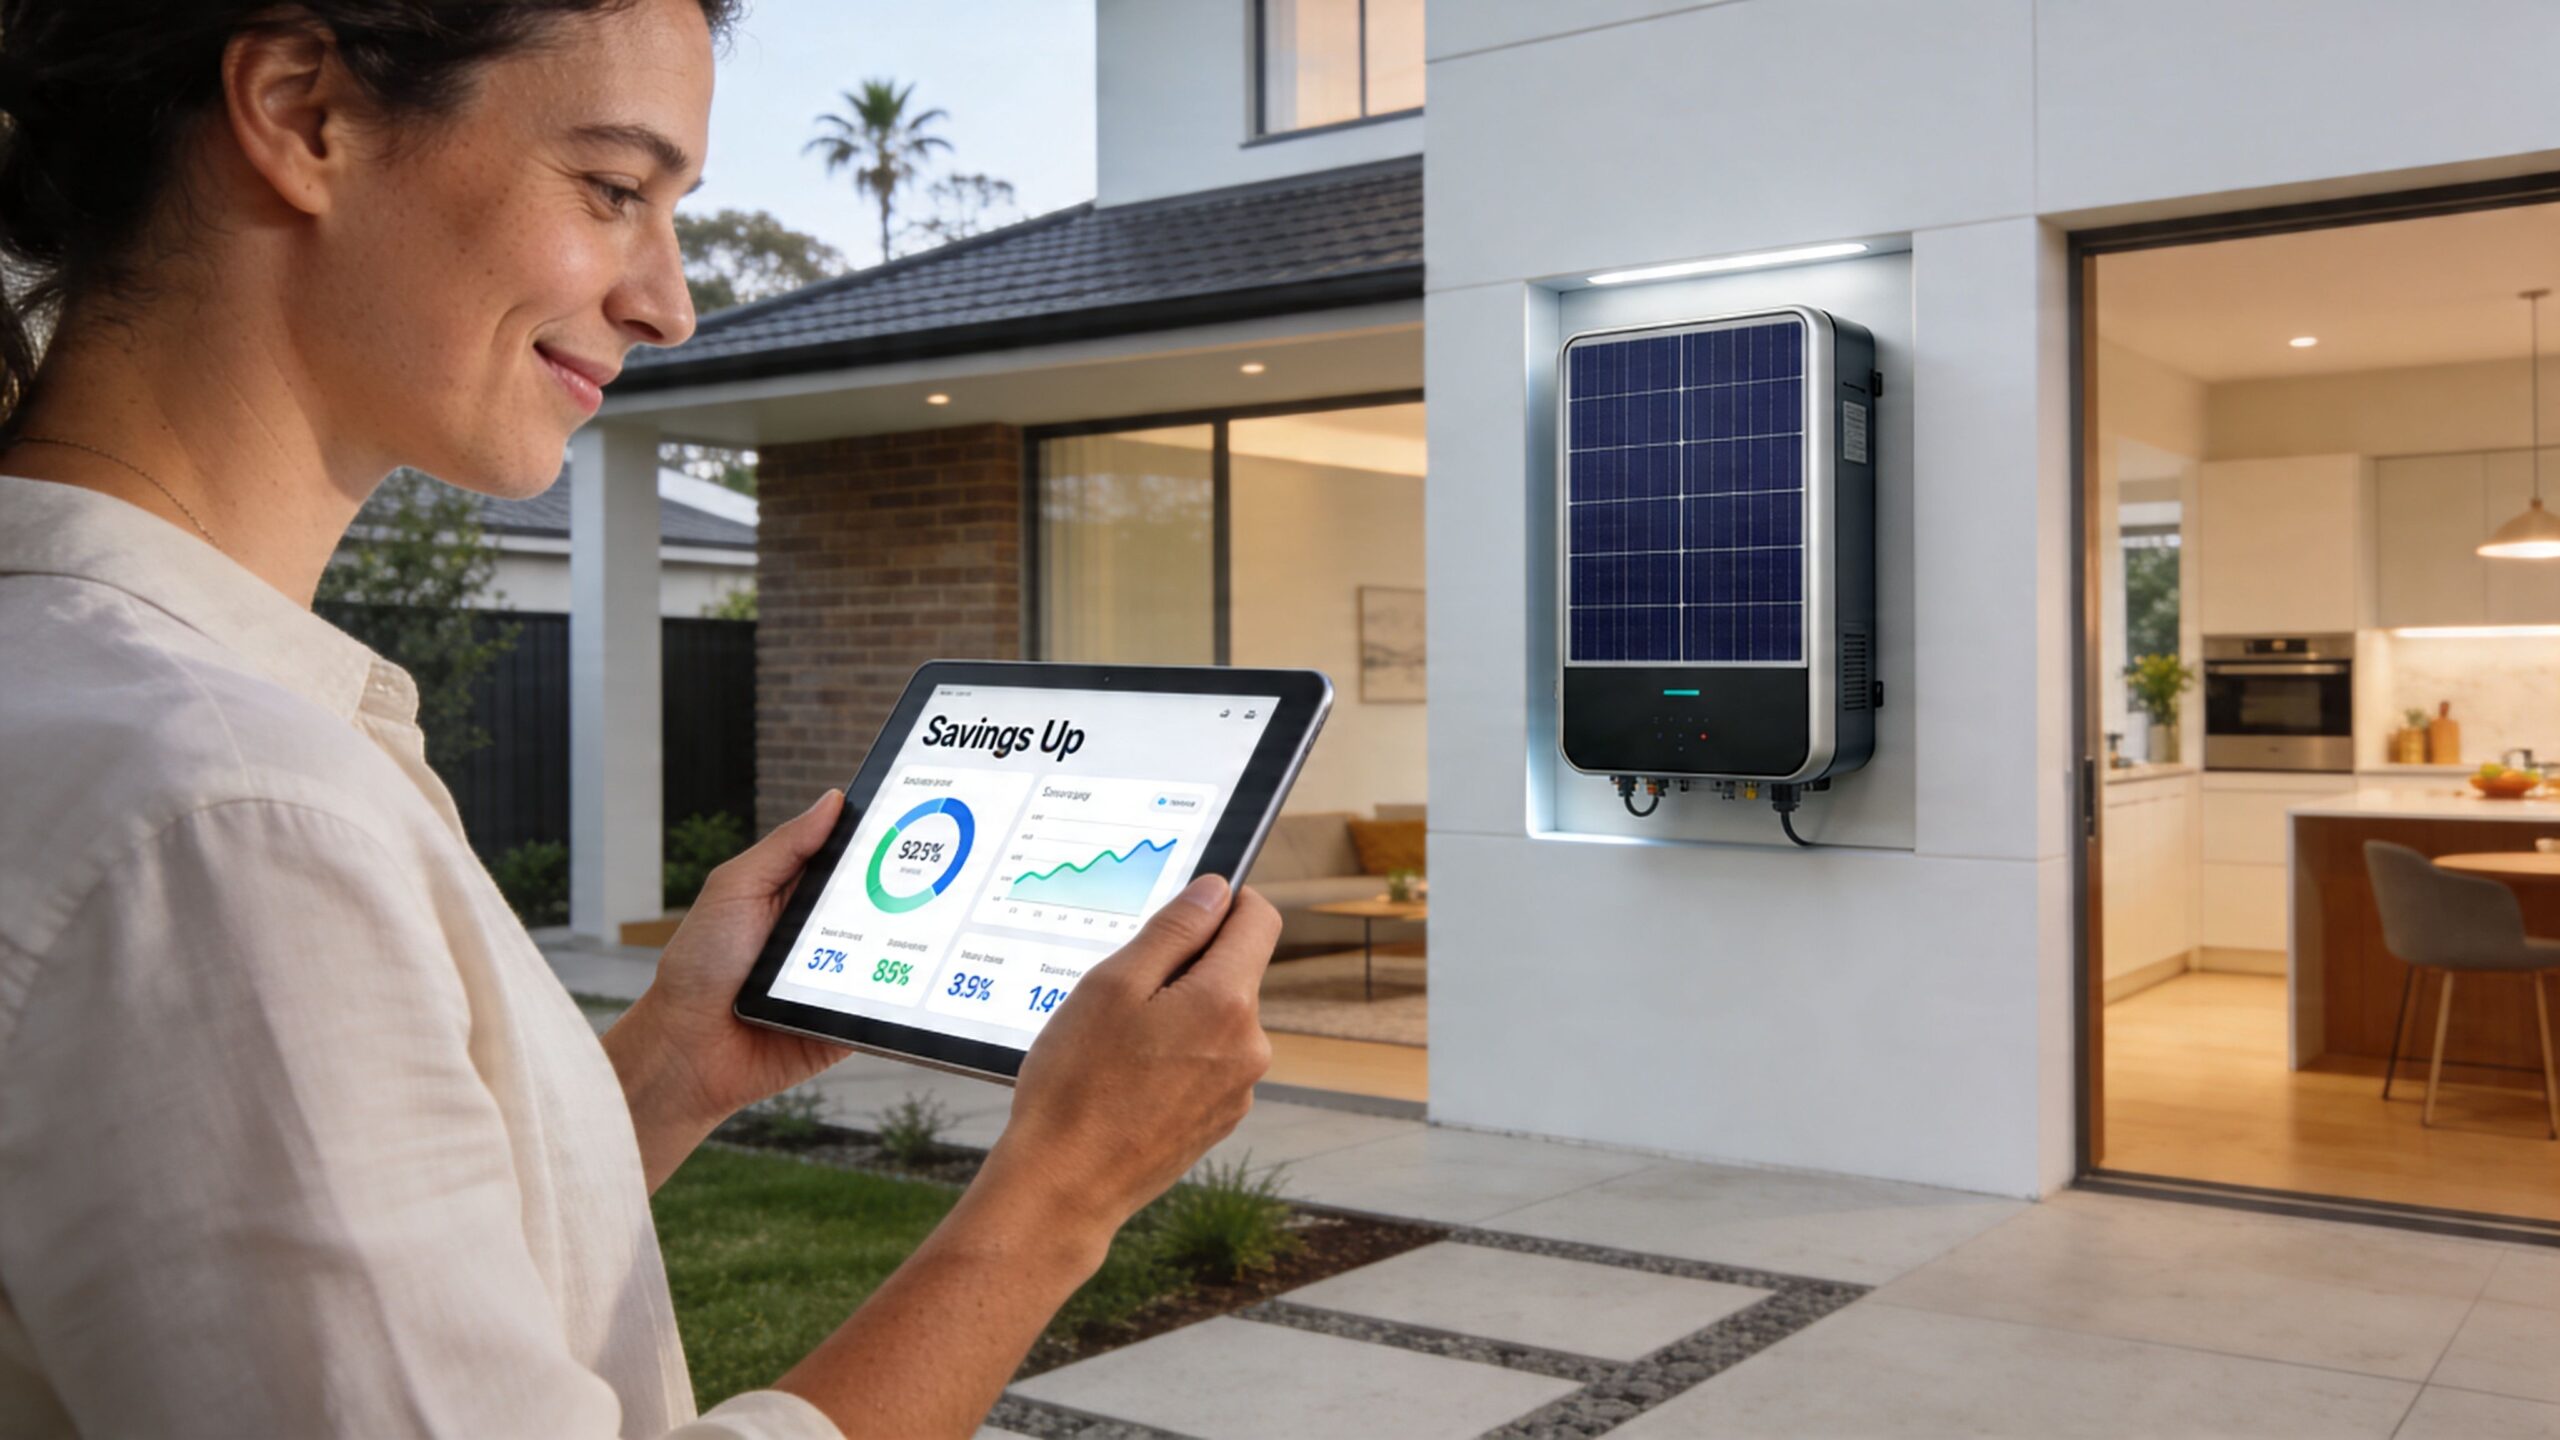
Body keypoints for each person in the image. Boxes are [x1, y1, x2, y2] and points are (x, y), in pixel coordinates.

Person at [0, 2, 1279, 1436]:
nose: (670, 301)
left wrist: (667, 1069)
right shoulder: (225, 822)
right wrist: (1060, 1194)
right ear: (305, 116)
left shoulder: (111, 709)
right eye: (615, 189)